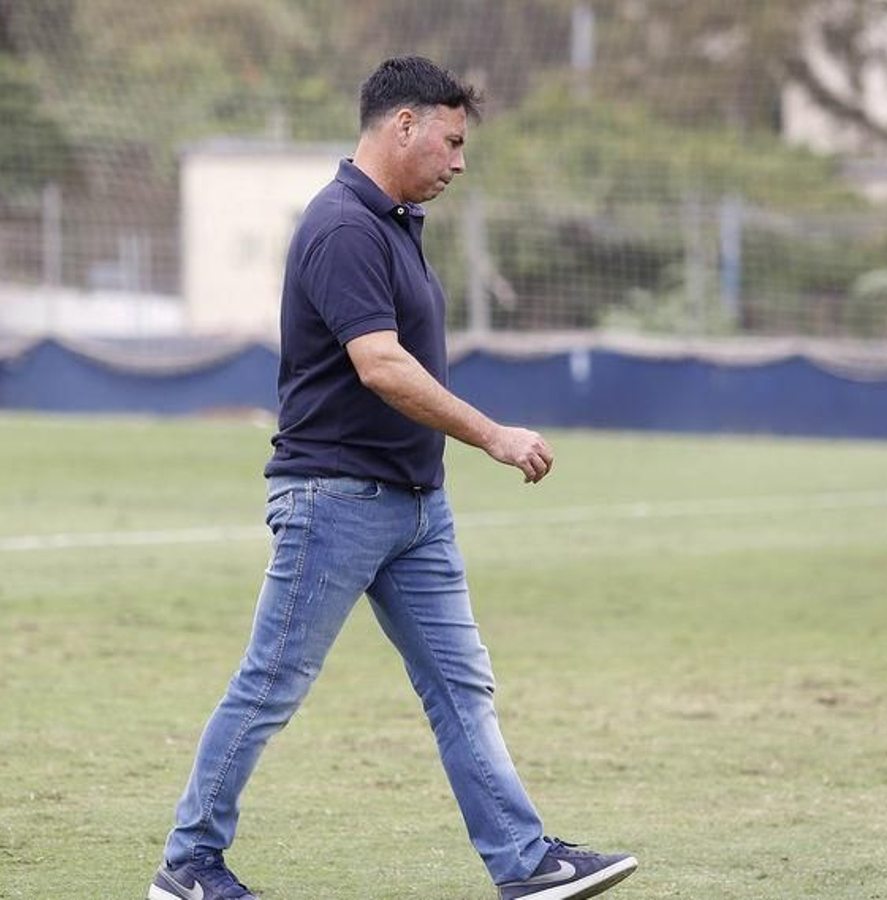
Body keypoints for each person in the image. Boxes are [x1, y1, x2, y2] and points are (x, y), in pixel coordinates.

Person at [148, 56, 638, 900]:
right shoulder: (343, 226)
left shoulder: (397, 224)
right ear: (402, 124)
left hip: (415, 510)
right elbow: (380, 366)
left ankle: (524, 864)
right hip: (335, 499)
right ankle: (188, 866)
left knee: (461, 687)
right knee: (270, 684)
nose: (458, 162)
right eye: (450, 142)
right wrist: (492, 435)